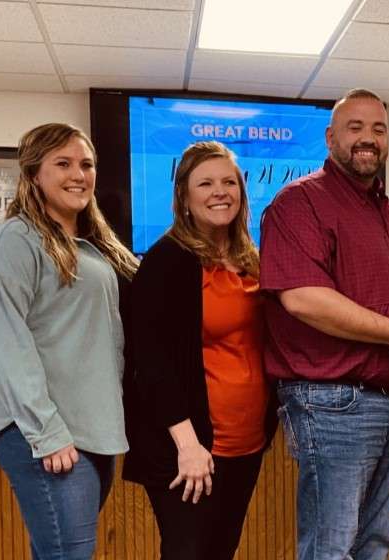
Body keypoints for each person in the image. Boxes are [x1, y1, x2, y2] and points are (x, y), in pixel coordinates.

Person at [260, 88, 389, 560]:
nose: (368, 138)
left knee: (372, 546)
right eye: (355, 127)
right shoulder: (298, 204)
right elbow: (304, 299)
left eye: (378, 129)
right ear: (330, 138)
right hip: (333, 404)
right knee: (332, 548)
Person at [0, 123, 138, 559]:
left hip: (92, 432)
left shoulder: (90, 248)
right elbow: (6, 344)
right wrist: (47, 434)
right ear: (33, 174)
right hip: (45, 431)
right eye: (62, 164)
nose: (78, 174)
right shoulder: (12, 240)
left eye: (86, 164)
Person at [122, 141, 276, 560]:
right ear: (185, 199)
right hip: (192, 448)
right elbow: (151, 364)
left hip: (246, 442)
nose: (219, 191)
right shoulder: (167, 261)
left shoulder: (252, 260)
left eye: (229, 181)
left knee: (220, 552)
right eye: (205, 183)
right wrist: (187, 446)